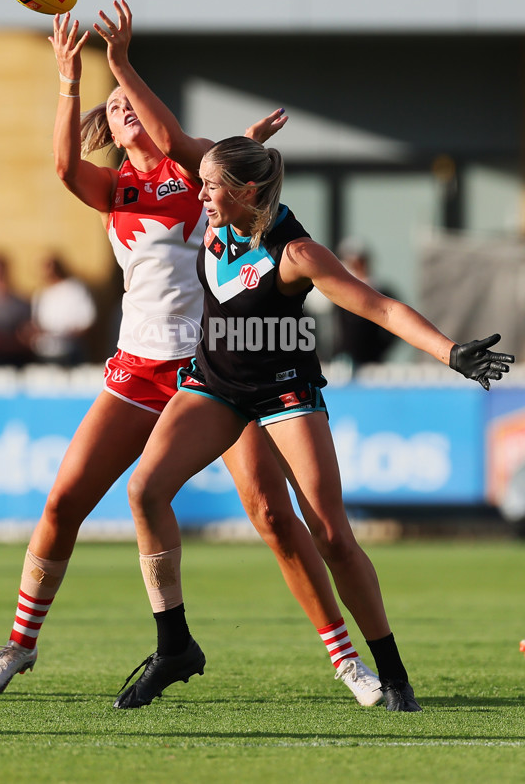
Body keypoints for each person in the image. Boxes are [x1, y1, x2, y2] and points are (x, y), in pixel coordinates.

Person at [0, 4, 385, 709]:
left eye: (133, 98)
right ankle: (21, 643)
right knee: (64, 500)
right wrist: (72, 80)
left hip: (217, 370)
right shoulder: (114, 189)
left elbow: (198, 154)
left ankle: (347, 660)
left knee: (273, 515)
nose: (125, 107)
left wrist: (140, 78)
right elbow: (68, 165)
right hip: (139, 367)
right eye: (117, 105)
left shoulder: (196, 174)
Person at [116, 135, 514, 712]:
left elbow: (378, 306)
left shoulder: (295, 251)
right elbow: (173, 138)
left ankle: (394, 673)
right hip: (215, 386)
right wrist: (119, 65)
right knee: (145, 491)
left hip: (283, 391)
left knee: (330, 533)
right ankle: (174, 646)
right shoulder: (213, 217)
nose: (197, 192)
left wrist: (450, 353)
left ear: (246, 190)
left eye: (209, 184)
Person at [330, 236, 399, 370]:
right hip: (340, 364)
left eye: (359, 262)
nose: (355, 267)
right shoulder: (336, 292)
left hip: (372, 364)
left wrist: (378, 350)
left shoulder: (382, 291)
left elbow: (395, 328)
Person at [29, 252, 97, 365]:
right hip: (46, 353)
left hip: (71, 351)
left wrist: (67, 334)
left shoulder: (75, 289)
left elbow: (88, 322)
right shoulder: (41, 294)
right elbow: (37, 324)